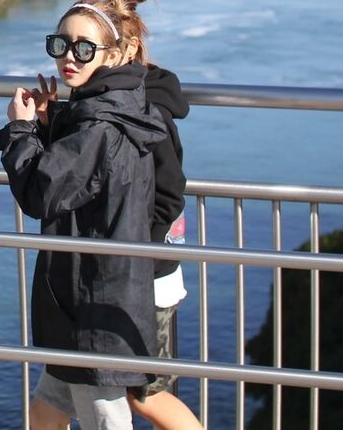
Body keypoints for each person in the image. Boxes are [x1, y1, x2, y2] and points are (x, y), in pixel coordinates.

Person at [0, 0, 168, 430]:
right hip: (94, 290)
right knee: (48, 406)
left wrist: (21, 130)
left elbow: (42, 193)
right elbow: (81, 180)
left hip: (91, 300)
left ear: (114, 54)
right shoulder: (115, 107)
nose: (69, 57)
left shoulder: (100, 125)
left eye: (84, 49)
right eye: (60, 44)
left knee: (104, 417)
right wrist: (48, 122)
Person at [129, 64, 204, 430]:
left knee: (146, 393)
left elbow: (170, 194)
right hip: (133, 272)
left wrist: (142, 251)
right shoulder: (113, 102)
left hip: (149, 276)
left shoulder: (149, 111)